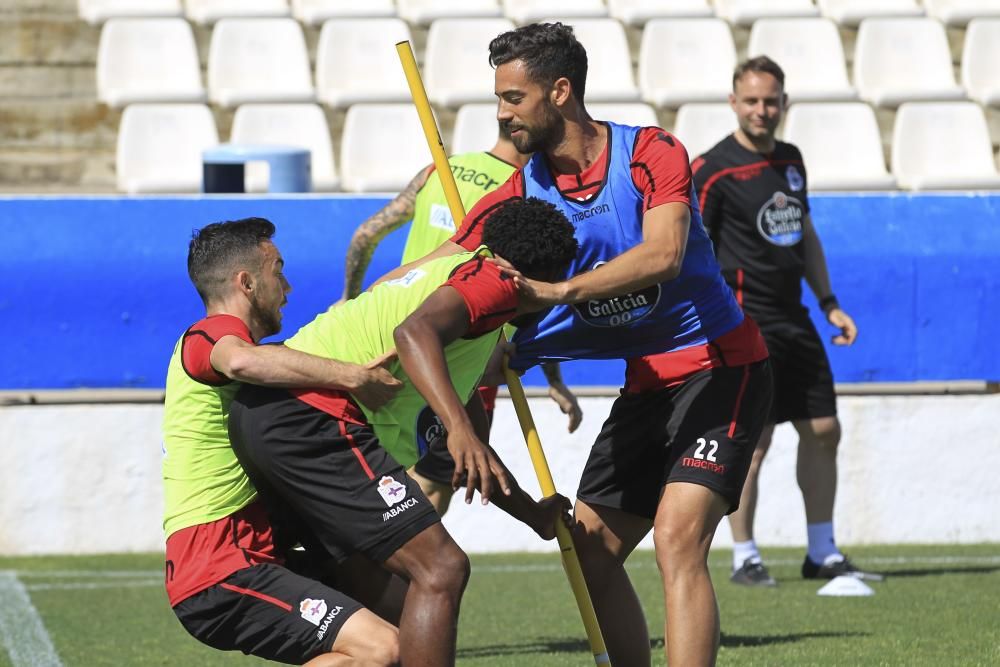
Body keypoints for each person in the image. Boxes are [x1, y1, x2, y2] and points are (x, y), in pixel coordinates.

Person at [403, 22, 774, 667]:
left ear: (560, 92)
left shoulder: (650, 153)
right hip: (648, 385)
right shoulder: (521, 190)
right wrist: (362, 309)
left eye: (514, 98)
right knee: (590, 551)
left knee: (677, 540)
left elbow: (663, 254)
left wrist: (560, 292)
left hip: (721, 367)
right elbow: (444, 258)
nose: (502, 114)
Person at [227, 197, 580, 667]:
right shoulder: (495, 283)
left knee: (391, 614)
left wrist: (531, 514)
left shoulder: (454, 287)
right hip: (312, 417)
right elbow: (414, 336)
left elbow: (472, 445)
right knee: (442, 569)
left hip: (272, 416)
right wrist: (458, 429)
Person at [162, 217, 405, 665]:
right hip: (218, 564)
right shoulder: (209, 335)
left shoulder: (267, 356)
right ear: (246, 282)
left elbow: (380, 296)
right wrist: (355, 378)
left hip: (250, 554)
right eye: (278, 271)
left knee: (389, 633)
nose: (288, 286)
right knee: (383, 647)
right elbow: (240, 362)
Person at [692, 56, 879, 586]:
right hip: (744, 323)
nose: (761, 110)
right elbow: (691, 249)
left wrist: (828, 301)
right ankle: (745, 555)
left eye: (770, 100)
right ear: (733, 102)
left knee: (823, 429)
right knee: (753, 444)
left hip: (796, 318)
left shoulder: (792, 159)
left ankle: (821, 550)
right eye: (751, 100)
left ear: (784, 103)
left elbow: (806, 234)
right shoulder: (712, 169)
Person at [340, 126, 583, 516]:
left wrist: (351, 301)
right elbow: (535, 288)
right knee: (433, 485)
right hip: (463, 346)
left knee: (399, 466)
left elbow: (364, 235)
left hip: (389, 328)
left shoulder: (438, 170)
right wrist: (553, 380)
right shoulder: (520, 191)